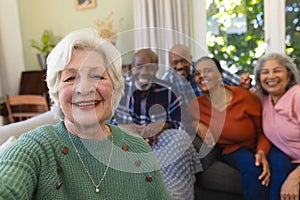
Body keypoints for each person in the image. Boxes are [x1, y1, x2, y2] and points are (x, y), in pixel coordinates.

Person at [0, 28, 171, 199]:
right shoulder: (35, 149)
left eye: (97, 76)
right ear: (56, 93)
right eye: (70, 78)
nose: (84, 89)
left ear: (115, 88)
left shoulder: (138, 148)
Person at [111, 49, 202, 200]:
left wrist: (162, 125)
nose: (144, 72)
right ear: (130, 67)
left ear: (157, 69)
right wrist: (120, 127)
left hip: (158, 146)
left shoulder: (167, 90)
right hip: (125, 144)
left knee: (180, 137)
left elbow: (179, 121)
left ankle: (171, 194)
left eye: (150, 67)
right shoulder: (116, 90)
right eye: (139, 66)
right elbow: (101, 121)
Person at [187, 56, 271, 200]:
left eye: (207, 71)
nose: (202, 76)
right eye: (197, 73)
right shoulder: (195, 105)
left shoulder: (244, 97)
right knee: (253, 166)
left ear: (220, 75)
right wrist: (197, 125)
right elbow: (184, 122)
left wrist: (261, 150)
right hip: (233, 150)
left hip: (261, 145)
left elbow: (263, 131)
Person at [254, 52, 300, 200]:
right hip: (287, 160)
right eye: (265, 72)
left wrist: (294, 178)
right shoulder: (263, 98)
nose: (271, 76)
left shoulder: (297, 97)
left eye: (277, 70)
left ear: (289, 75)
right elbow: (234, 97)